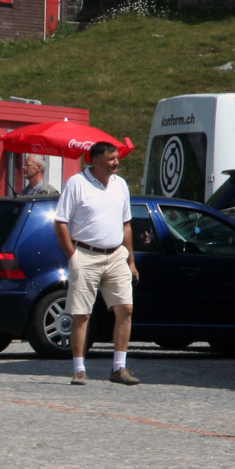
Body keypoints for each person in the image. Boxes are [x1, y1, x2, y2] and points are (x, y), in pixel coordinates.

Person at [53, 142, 139, 386]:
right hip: (86, 255)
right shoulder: (76, 183)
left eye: (116, 158)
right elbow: (60, 222)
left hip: (116, 255)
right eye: (112, 158)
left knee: (126, 309)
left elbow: (126, 224)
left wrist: (131, 259)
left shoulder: (120, 185)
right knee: (82, 314)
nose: (116, 162)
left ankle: (119, 368)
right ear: (96, 160)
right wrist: (73, 256)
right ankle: (79, 369)